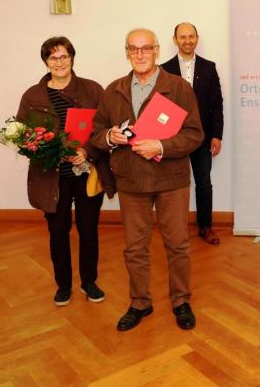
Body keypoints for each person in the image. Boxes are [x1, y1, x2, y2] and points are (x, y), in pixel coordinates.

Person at [90, 28, 204, 332]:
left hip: (171, 179)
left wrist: (162, 146)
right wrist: (109, 137)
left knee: (178, 244)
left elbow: (195, 134)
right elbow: (96, 133)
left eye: (146, 48)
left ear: (156, 51)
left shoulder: (179, 88)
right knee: (135, 248)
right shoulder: (113, 90)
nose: (140, 54)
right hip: (131, 180)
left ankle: (181, 301)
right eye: (134, 49)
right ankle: (140, 302)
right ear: (127, 52)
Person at [15, 36, 114, 306]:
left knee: (88, 229)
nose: (59, 62)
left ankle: (89, 282)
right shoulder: (32, 96)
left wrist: (88, 152)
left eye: (63, 56)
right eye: (53, 57)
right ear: (46, 61)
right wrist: (49, 151)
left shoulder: (93, 90)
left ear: (72, 57)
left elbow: (104, 130)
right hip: (52, 177)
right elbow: (23, 136)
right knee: (58, 232)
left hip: (86, 173)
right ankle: (63, 285)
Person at [161, 22, 224, 245]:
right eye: (183, 37)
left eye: (191, 36)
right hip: (172, 138)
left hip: (202, 137)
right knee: (172, 184)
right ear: (174, 39)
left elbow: (217, 103)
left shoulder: (209, 67)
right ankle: (172, 228)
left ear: (197, 38)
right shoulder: (164, 69)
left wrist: (217, 135)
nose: (187, 41)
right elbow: (158, 105)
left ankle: (205, 226)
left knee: (203, 182)